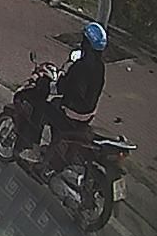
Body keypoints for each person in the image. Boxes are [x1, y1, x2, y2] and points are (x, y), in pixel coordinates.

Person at [19, 21, 107, 174]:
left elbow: (61, 88)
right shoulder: (100, 67)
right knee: (55, 104)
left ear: (87, 43)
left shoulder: (79, 66)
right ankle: (54, 145)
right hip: (87, 114)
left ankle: (33, 148)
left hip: (72, 113)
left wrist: (48, 83)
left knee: (41, 107)